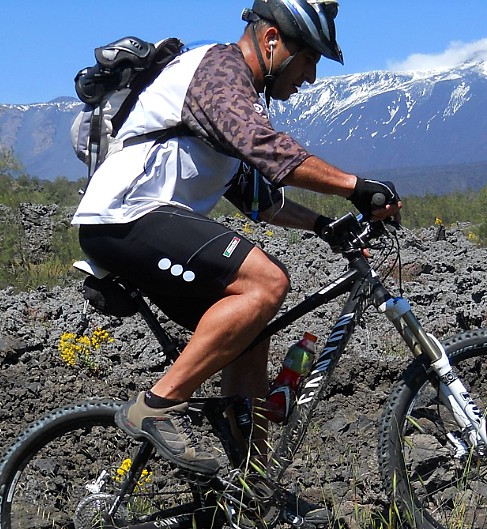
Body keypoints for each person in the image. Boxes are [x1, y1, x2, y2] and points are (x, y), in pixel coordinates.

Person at [72, 0, 400, 479]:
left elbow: (260, 200)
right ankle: (156, 406)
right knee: (266, 283)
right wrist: (355, 186)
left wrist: (325, 225)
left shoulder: (231, 98)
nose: (308, 78)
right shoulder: (218, 70)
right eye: (308, 60)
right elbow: (266, 149)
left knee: (250, 335)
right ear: (271, 42)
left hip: (146, 224)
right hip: (126, 217)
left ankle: (252, 487)